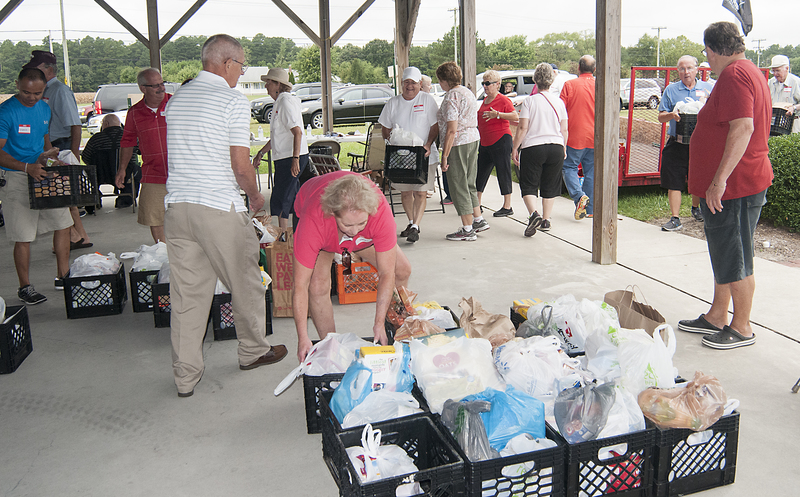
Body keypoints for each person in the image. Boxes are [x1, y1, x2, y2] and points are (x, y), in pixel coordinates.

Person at [163, 34, 287, 397]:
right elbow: (240, 164)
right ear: (228, 63)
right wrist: (254, 196)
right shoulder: (231, 99)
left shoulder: (178, 98)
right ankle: (253, 350)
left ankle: (185, 376)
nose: (241, 74)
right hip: (218, 207)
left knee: (187, 296)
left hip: (178, 208)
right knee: (246, 282)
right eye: (242, 66)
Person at [679, 21, 773, 350]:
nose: (707, 59)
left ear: (718, 49)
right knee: (724, 252)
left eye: (707, 52)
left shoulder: (734, 75)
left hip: (736, 185)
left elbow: (743, 128)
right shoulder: (750, 72)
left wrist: (719, 180)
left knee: (736, 256)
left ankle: (742, 326)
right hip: (738, 182)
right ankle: (718, 314)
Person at [293, 171, 412, 362]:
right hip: (325, 233)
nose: (355, 231)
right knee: (317, 286)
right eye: (348, 224)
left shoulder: (379, 211)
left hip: (364, 237)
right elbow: (299, 285)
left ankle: (395, 329)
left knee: (402, 270)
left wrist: (378, 323)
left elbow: (386, 273)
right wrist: (302, 337)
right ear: (333, 214)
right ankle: (332, 349)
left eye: (361, 223)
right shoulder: (315, 218)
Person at [0, 68, 71, 304]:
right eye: (26, 92)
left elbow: (44, 142)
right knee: (23, 235)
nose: (31, 97)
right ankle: (25, 286)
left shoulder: (43, 108)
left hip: (41, 172)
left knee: (63, 222)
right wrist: (25, 167)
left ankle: (64, 276)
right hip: (16, 176)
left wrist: (51, 158)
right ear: (17, 85)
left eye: (37, 93)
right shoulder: (6, 112)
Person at [23, 50, 91, 251]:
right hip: (47, 148)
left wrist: (74, 156)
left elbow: (75, 125)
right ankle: (77, 235)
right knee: (63, 196)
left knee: (61, 196)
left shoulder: (59, 91)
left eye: (36, 68)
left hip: (60, 146)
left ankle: (75, 235)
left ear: (49, 70)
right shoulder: (44, 91)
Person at [378, 66, 439, 243]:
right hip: (401, 155)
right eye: (406, 83)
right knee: (405, 192)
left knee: (420, 192)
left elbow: (435, 126)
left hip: (423, 154)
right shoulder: (393, 102)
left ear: (420, 84)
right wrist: (391, 143)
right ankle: (412, 222)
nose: (409, 86)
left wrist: (428, 144)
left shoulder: (427, 100)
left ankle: (415, 226)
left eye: (413, 82)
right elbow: (385, 127)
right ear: (401, 84)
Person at [657, 55, 714, 232]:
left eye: (689, 68)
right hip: (677, 142)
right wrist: (672, 115)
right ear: (678, 71)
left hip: (701, 143)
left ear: (697, 69)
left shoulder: (707, 89)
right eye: (682, 69)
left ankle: (696, 209)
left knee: (697, 177)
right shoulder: (671, 90)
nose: (686, 72)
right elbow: (660, 116)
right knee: (674, 180)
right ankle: (675, 219)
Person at [512, 63, 568, 237]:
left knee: (529, 183)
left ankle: (533, 214)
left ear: (535, 80)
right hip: (556, 146)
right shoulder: (559, 102)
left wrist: (515, 148)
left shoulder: (529, 101)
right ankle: (546, 219)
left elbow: (522, 128)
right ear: (551, 81)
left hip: (534, 147)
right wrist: (564, 147)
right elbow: (564, 129)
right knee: (550, 184)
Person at [115, 68, 170, 243]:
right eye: (155, 86)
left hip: (183, 173)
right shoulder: (134, 112)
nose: (161, 88)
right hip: (153, 174)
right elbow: (127, 142)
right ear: (142, 88)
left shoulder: (176, 103)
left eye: (162, 83)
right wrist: (122, 169)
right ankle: (163, 253)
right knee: (155, 217)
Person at [252, 68, 309, 228]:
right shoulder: (280, 102)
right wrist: (261, 152)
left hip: (291, 156)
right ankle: (291, 233)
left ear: (278, 84)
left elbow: (297, 132)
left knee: (282, 197)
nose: (266, 86)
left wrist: (295, 159)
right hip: (286, 156)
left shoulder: (285, 101)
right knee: (288, 196)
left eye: (269, 82)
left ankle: (283, 237)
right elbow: (279, 136)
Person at [436, 61, 485, 241]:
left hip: (458, 142)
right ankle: (478, 218)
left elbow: (451, 129)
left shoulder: (451, 97)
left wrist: (445, 155)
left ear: (444, 80)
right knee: (470, 182)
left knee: (458, 183)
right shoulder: (467, 92)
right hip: (473, 138)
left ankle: (467, 228)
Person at [476, 70, 518, 217]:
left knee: (503, 171)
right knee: (480, 172)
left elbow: (515, 116)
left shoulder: (503, 100)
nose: (485, 86)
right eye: (483, 83)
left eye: (488, 83)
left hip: (500, 139)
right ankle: (477, 204)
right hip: (486, 141)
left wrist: (498, 115)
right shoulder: (485, 100)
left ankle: (507, 205)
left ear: (497, 84)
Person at [559, 55, 595, 221]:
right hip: (595, 137)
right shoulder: (600, 86)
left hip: (575, 135)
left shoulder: (569, 85)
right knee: (591, 172)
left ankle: (579, 197)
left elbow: (560, 109)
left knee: (569, 167)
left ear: (578, 68)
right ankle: (590, 209)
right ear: (594, 69)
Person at [81, 114, 139, 207]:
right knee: (136, 170)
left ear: (106, 124)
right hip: (126, 173)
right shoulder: (129, 137)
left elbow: (85, 157)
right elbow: (140, 150)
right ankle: (126, 198)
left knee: (89, 170)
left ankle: (96, 197)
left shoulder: (96, 139)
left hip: (101, 175)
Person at [421, 74, 452, 205]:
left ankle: (429, 188)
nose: (431, 86)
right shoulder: (424, 99)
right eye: (429, 84)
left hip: (434, 140)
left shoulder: (429, 100)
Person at [767, 55, 800, 134]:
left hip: (793, 124)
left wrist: (794, 108)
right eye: (773, 71)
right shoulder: (771, 82)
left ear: (787, 69)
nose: (775, 74)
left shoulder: (796, 82)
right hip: (773, 124)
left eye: (778, 71)